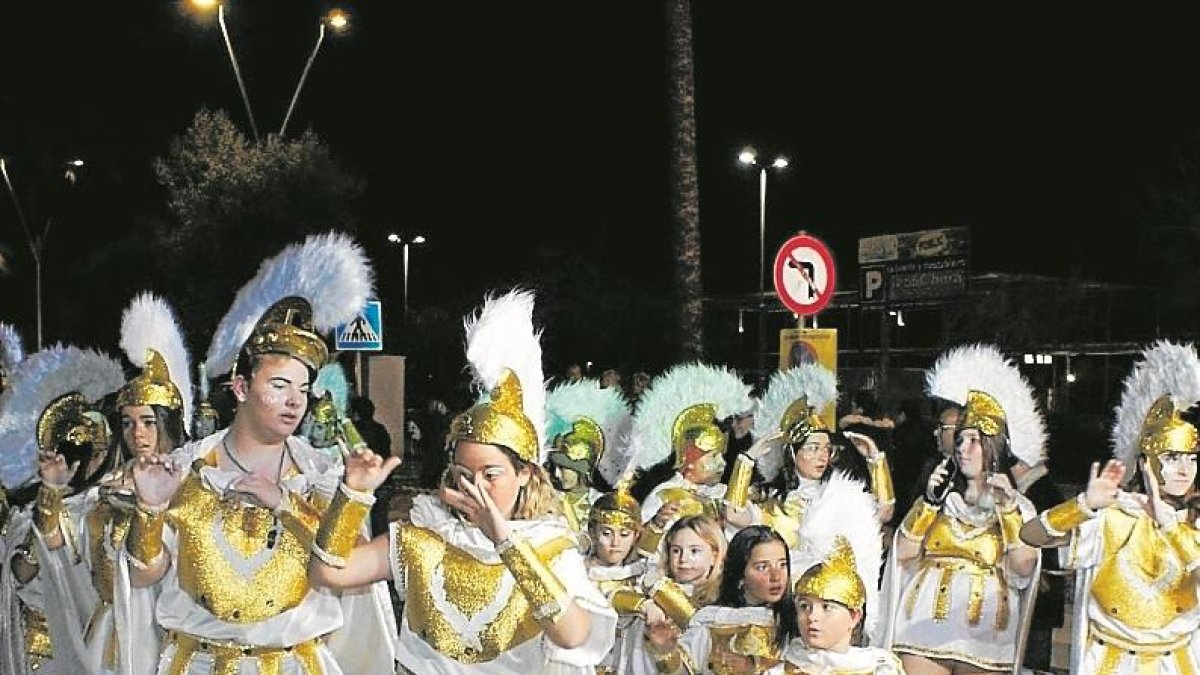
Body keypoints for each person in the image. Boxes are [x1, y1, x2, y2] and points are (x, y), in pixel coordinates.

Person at [124, 233, 397, 674]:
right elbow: (141, 576)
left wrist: (286, 505)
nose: (295, 401)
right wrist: (150, 509)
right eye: (279, 386)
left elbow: (345, 564)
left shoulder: (321, 475)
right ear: (241, 388)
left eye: (304, 389)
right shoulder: (188, 468)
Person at [309, 289, 616, 673]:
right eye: (464, 475)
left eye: (491, 475)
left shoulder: (551, 548)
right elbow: (328, 571)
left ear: (525, 473)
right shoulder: (424, 537)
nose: (476, 488)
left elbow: (573, 636)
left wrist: (505, 541)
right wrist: (351, 493)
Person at [33, 293, 191, 675]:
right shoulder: (104, 491)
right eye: (128, 423)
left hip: (169, 631)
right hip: (110, 635)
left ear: (167, 423)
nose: (137, 433)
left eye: (148, 422)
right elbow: (55, 544)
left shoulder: (191, 482)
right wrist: (52, 491)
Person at [1020, 340, 1200, 674]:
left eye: (1191, 459)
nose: (1184, 469)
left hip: (1178, 664)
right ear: (1146, 463)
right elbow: (1030, 535)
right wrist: (1083, 505)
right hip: (1110, 663)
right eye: (1172, 458)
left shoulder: (1195, 520)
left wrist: (1172, 529)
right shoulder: (1116, 515)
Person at [882, 344, 1043, 675]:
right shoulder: (939, 498)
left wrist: (1008, 512)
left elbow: (1024, 569)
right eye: (960, 439)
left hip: (985, 633)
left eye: (974, 440)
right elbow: (903, 553)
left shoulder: (1017, 505)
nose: (963, 448)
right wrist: (928, 503)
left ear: (993, 447)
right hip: (923, 626)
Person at [0, 344, 126, 674]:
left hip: (101, 645)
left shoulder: (113, 503)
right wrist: (51, 497)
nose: (96, 458)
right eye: (87, 450)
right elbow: (18, 574)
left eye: (102, 449)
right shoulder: (30, 514)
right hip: (41, 652)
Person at [735, 363, 894, 542]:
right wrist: (746, 460)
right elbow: (733, 514)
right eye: (813, 448)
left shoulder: (835, 494)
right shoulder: (770, 499)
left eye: (826, 449)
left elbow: (884, 512)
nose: (822, 455)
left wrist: (876, 459)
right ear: (793, 454)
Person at [631, 363, 754, 554]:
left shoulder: (720, 493)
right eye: (713, 457)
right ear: (688, 460)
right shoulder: (664, 496)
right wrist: (657, 523)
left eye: (721, 456)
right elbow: (641, 552)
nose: (721, 463)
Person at [641, 525, 799, 674]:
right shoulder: (712, 621)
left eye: (782, 565)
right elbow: (683, 670)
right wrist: (666, 652)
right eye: (762, 567)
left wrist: (754, 666)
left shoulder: (799, 621)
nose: (776, 577)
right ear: (740, 576)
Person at [544, 378, 632, 534]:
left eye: (564, 468)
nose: (556, 474)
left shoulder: (605, 503)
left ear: (583, 468)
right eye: (555, 466)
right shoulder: (546, 501)